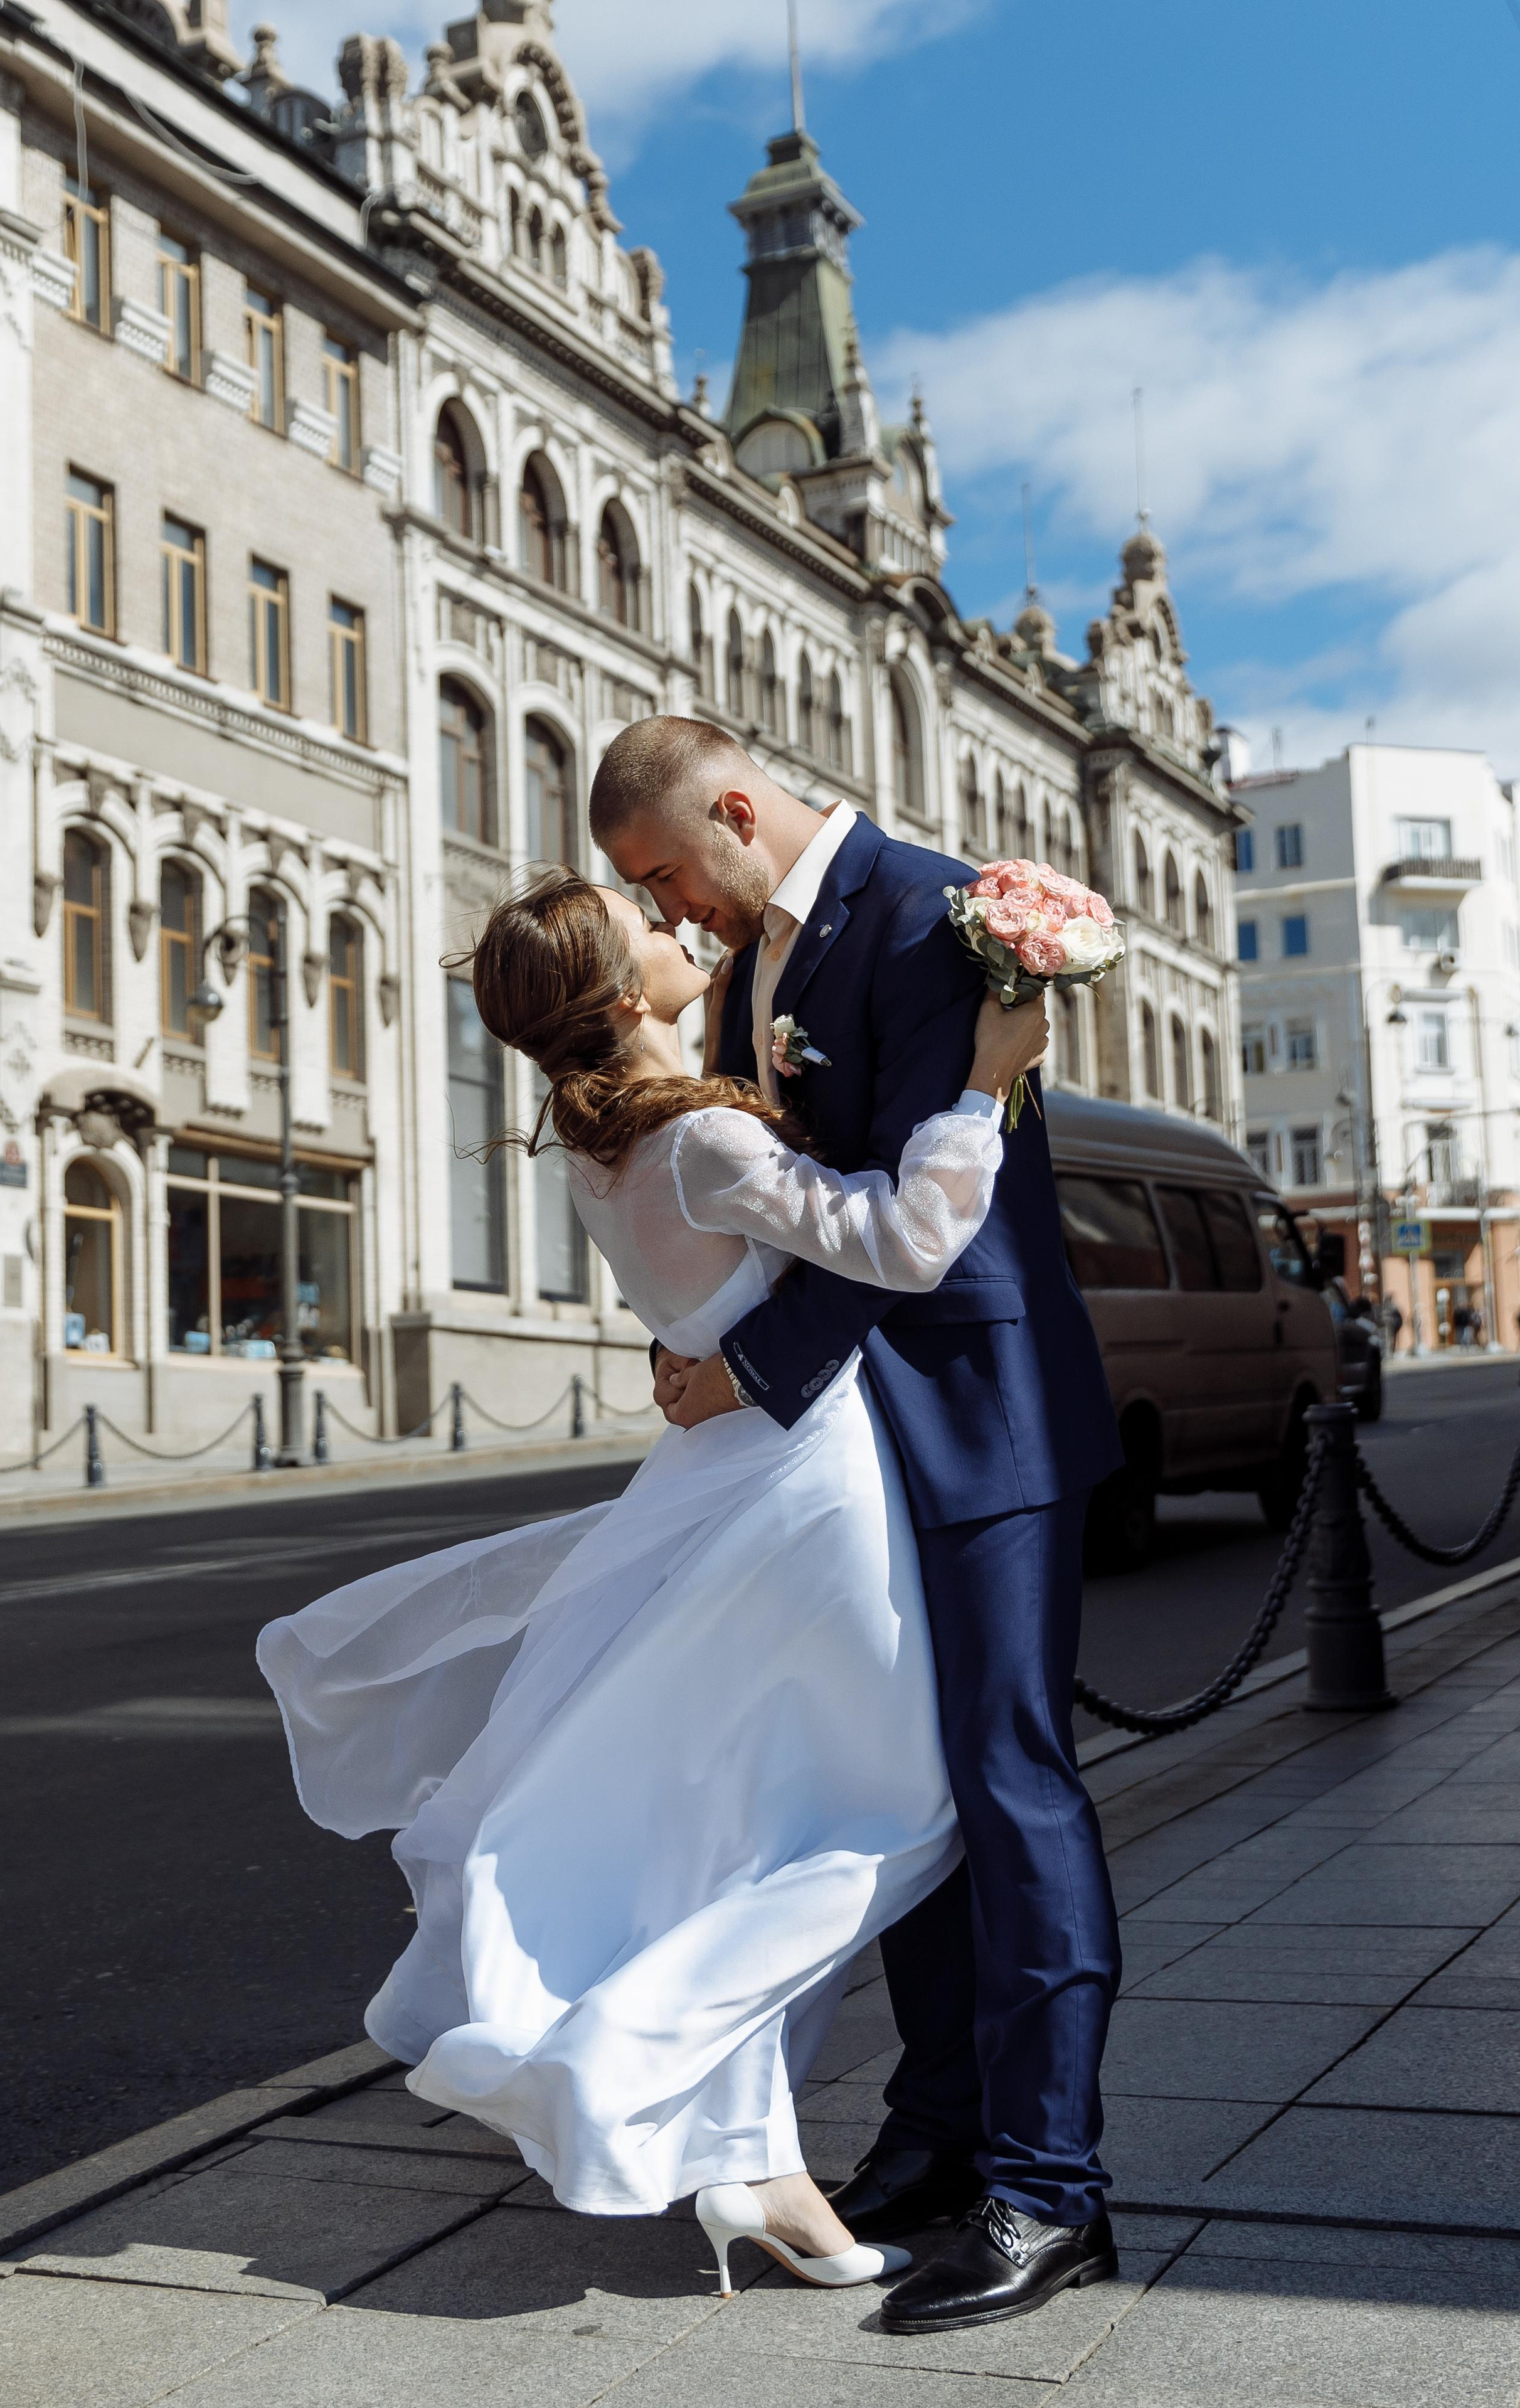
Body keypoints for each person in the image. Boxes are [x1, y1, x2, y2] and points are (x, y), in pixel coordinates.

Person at [259, 865, 1052, 2296]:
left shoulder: (604, 1144)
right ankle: (637, 2072)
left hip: (720, 1482)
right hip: (804, 1488)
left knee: (748, 1827)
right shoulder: (695, 1137)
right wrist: (983, 1088)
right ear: (624, 996)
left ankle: (762, 2168)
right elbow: (902, 1243)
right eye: (650, 931)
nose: (680, 931)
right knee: (886, 1814)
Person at [593, 717, 1124, 2337]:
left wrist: (743, 1365)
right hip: (869, 1443)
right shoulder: (773, 943)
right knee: (920, 1790)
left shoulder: (937, 910)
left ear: (737, 813)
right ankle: (942, 2130)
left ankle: (1051, 2186)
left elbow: (914, 1220)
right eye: (643, 896)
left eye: (668, 873)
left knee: (1012, 1782)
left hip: (986, 1419)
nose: (672, 915)